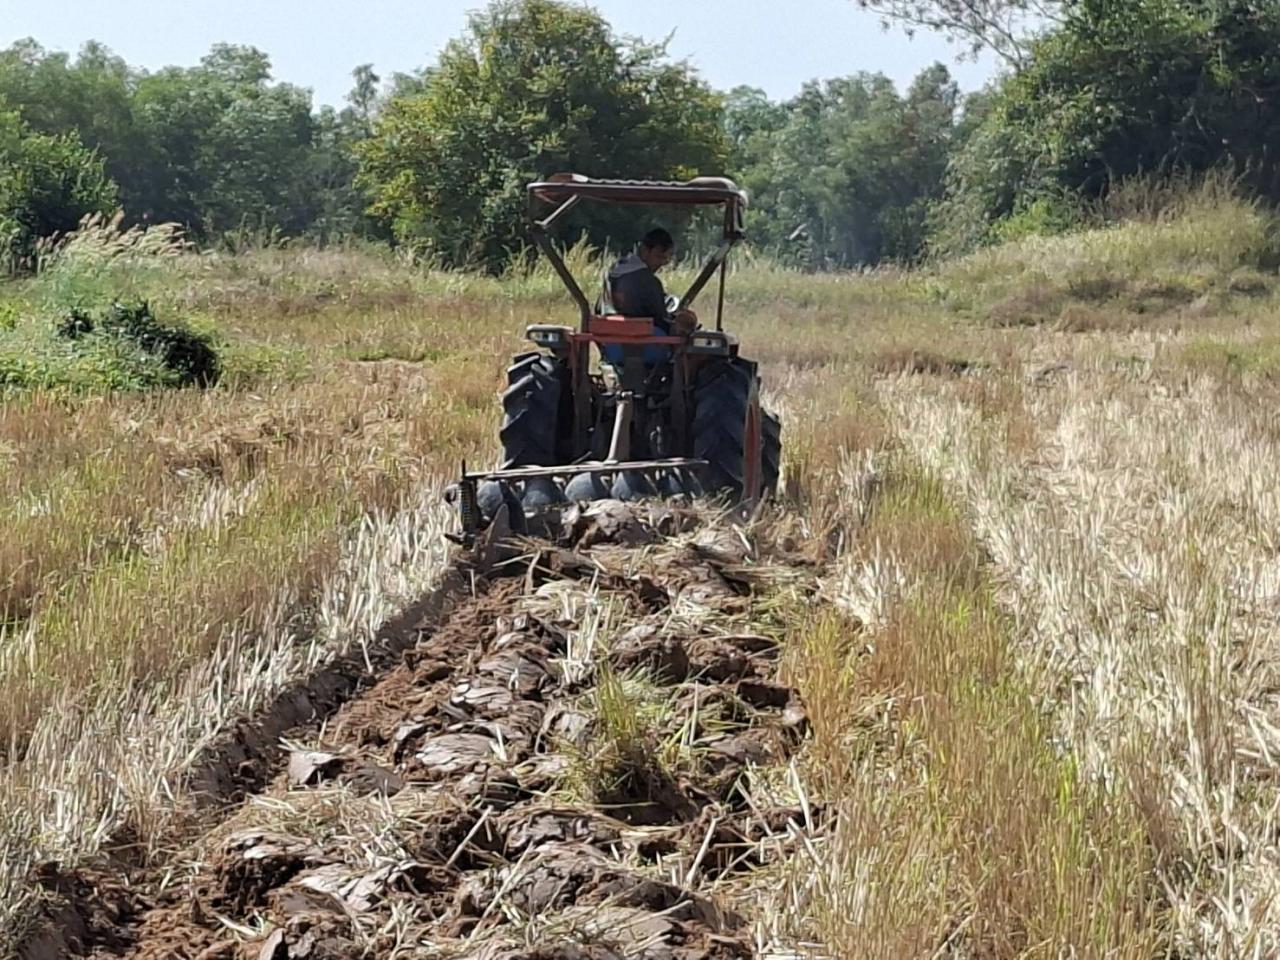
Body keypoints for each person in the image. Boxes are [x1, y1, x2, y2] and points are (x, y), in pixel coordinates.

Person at [603, 228, 698, 336]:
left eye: (666, 259)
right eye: (659, 256)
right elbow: (660, 319)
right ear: (645, 250)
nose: (661, 263)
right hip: (644, 339)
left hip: (610, 337)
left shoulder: (611, 274)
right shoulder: (648, 282)